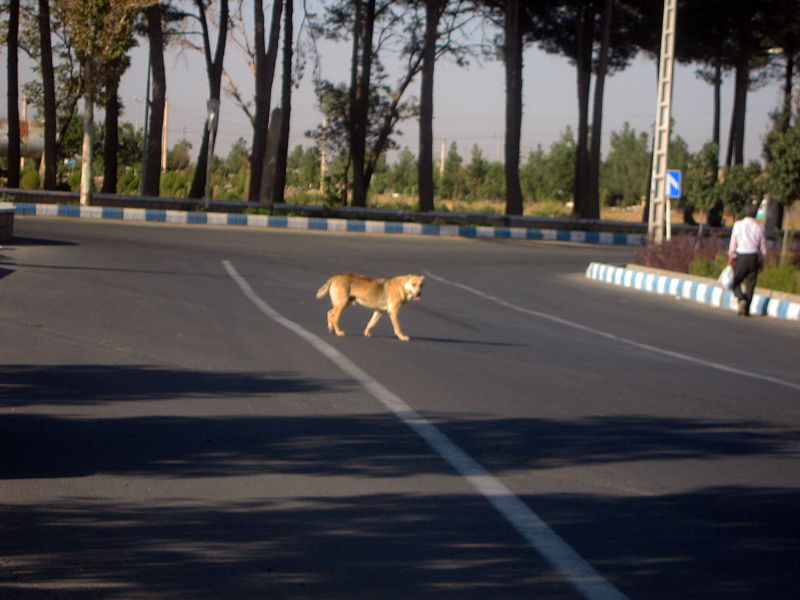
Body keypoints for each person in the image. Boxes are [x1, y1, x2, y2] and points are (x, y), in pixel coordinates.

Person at [728, 203, 768, 316]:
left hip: (741, 256)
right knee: (751, 284)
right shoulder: (760, 227)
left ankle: (741, 299)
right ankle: (746, 309)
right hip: (754, 257)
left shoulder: (738, 225)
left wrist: (731, 256)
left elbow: (733, 242)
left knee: (735, 281)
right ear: (755, 215)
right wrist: (762, 260)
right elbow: (763, 246)